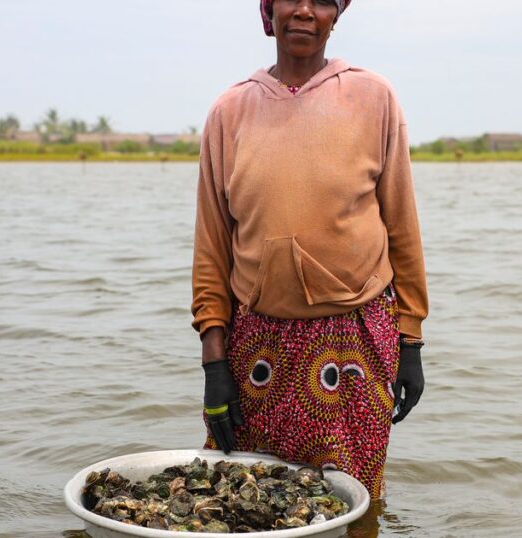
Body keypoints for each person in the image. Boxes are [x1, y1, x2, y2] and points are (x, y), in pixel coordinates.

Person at [191, 0, 428, 499]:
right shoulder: (229, 111)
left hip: (354, 341)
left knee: (353, 503)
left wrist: (411, 343)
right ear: (268, 10)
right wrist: (214, 367)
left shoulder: (373, 98)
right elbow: (212, 249)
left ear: (336, 14)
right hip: (256, 347)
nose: (304, 11)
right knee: (245, 503)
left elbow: (402, 227)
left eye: (320, 1)